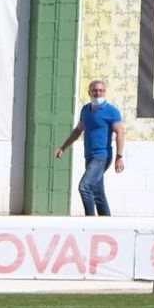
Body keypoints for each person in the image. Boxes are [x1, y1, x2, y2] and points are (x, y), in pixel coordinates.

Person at [54, 79, 126, 216]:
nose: (98, 93)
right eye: (95, 90)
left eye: (101, 90)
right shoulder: (86, 110)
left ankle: (90, 221)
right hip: (90, 156)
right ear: (89, 92)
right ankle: (107, 225)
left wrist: (119, 157)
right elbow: (78, 130)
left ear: (105, 92)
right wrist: (63, 148)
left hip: (102, 157)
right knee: (98, 193)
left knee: (85, 187)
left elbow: (120, 133)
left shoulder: (111, 111)